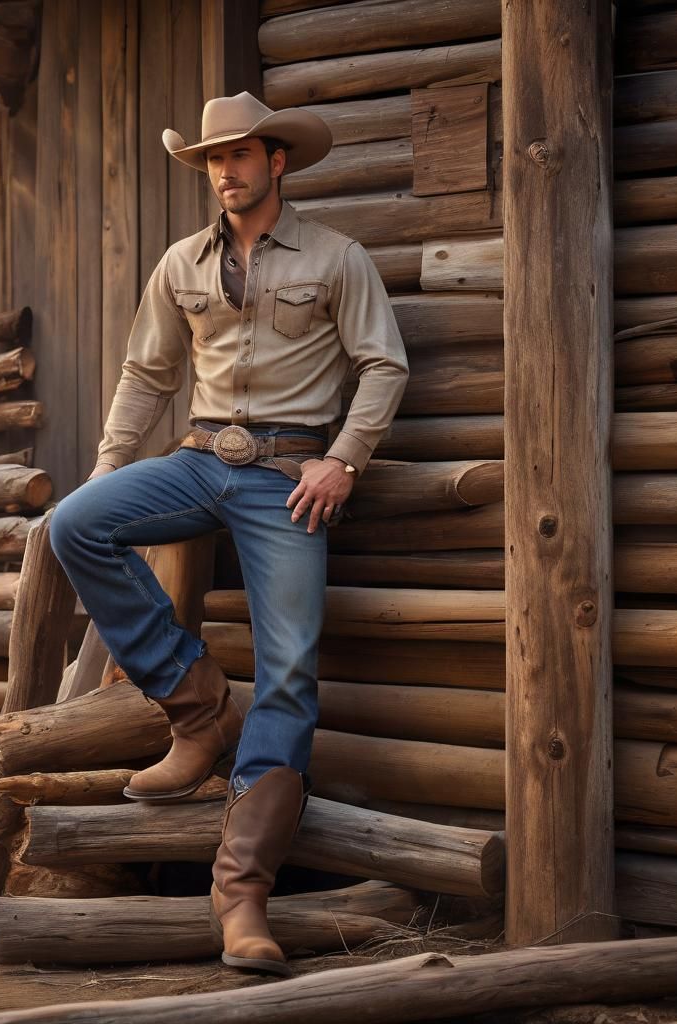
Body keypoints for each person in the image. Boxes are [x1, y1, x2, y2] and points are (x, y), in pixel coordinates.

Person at [49, 91, 409, 976]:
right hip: (199, 458)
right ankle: (200, 711)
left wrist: (344, 461)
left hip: (287, 477)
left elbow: (383, 365)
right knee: (78, 523)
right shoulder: (182, 262)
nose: (225, 171)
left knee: (289, 671)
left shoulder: (337, 257)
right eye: (213, 158)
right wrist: (108, 465)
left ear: (276, 161)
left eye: (240, 154)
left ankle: (241, 896)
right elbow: (147, 374)